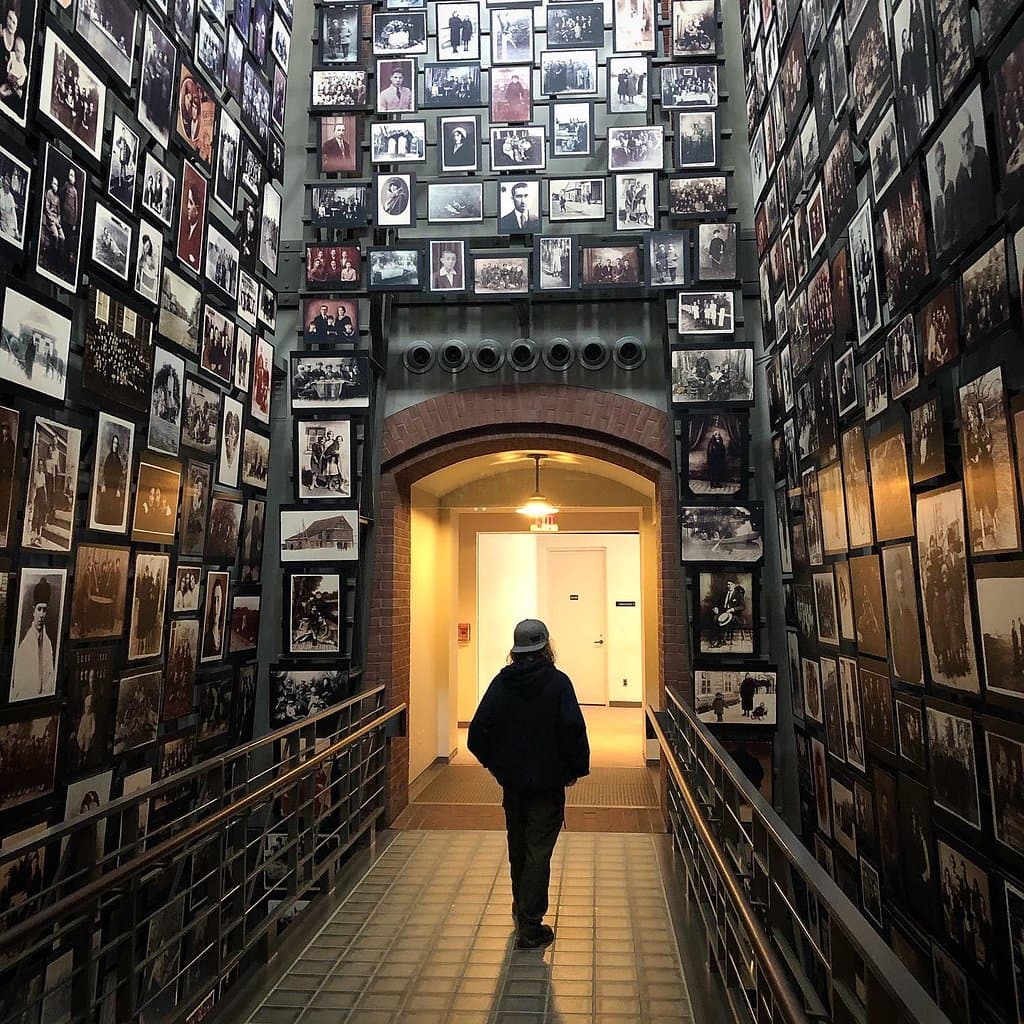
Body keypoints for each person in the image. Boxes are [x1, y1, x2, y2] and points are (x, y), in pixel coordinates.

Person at [468, 619, 590, 950]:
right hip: (548, 785)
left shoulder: (502, 684)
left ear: (516, 650)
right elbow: (573, 730)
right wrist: (574, 769)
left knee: (518, 846)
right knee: (539, 850)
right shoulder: (558, 683)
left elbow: (477, 734)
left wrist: (497, 766)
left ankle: (520, 908)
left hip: (514, 786)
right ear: (546, 647)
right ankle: (530, 924)